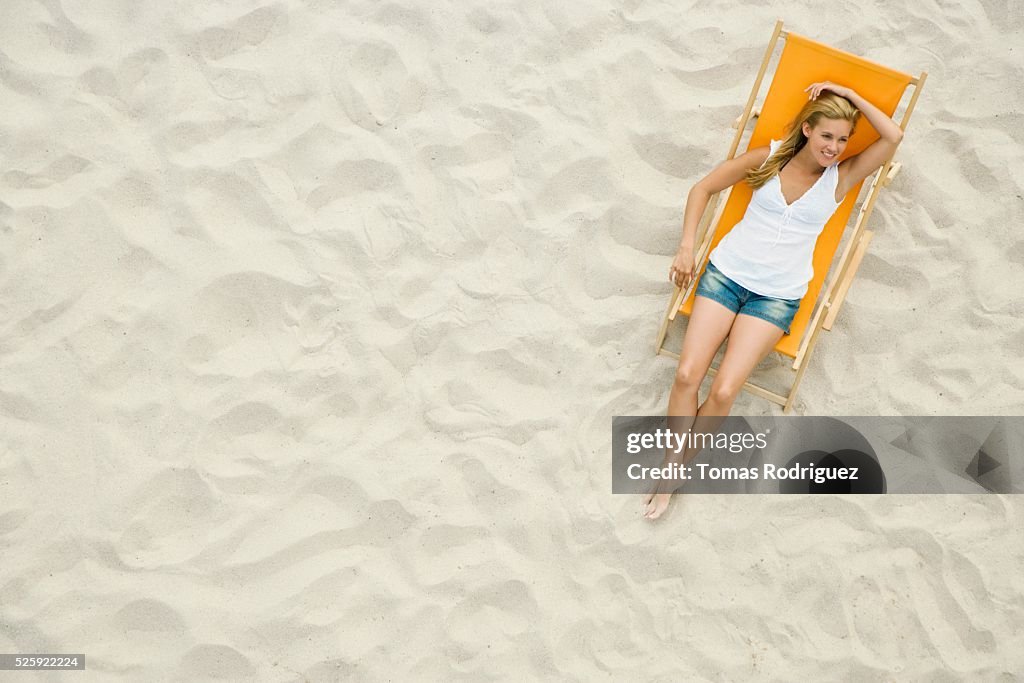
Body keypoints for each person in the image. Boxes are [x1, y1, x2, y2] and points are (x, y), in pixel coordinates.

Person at [643, 81, 905, 520]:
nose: (834, 147)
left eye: (843, 140)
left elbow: (893, 137)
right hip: (725, 276)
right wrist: (687, 245)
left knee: (724, 389)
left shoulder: (840, 178)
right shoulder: (767, 158)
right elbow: (702, 189)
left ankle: (673, 473)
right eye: (827, 136)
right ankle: (673, 467)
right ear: (807, 129)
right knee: (688, 374)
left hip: (776, 298)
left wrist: (846, 92)